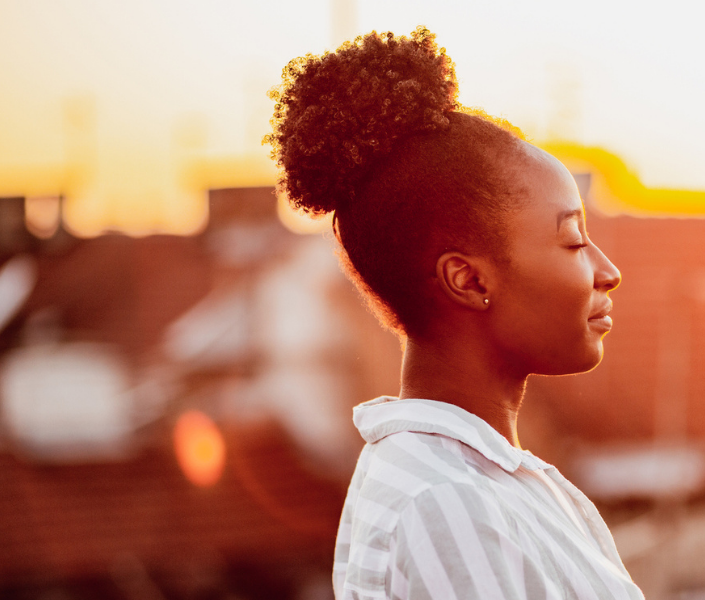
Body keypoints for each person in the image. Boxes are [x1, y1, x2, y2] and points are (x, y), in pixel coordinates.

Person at [265, 27, 642, 599]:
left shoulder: (489, 481)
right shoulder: (446, 503)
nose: (606, 270)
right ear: (467, 279)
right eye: (572, 240)